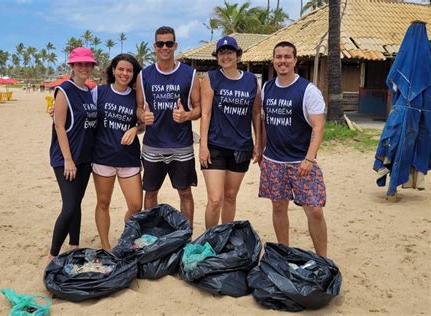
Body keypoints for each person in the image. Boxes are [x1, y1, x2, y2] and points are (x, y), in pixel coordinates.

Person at [259, 41, 328, 257]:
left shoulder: (308, 90)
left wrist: (309, 159)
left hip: (301, 161)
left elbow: (318, 127)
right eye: (279, 57)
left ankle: (323, 259)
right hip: (273, 160)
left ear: (295, 60)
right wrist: (260, 148)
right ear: (273, 60)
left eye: (287, 57)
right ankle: (284, 252)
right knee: (279, 207)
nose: (283, 61)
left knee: (314, 210)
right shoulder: (267, 88)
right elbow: (263, 121)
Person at [136, 26, 201, 223]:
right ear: (154, 46)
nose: (165, 47)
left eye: (169, 43)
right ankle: (151, 236)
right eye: (160, 44)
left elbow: (199, 109)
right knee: (150, 193)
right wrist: (143, 116)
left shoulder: (189, 74)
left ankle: (186, 236)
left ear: (175, 45)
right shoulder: (144, 75)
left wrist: (186, 115)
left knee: (185, 193)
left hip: (181, 146)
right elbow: (138, 107)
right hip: (152, 145)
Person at [199, 36, 262, 228]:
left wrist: (258, 142)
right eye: (221, 53)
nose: (225, 56)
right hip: (215, 146)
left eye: (229, 52)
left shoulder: (251, 80)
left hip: (241, 146)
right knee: (215, 199)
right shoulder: (211, 78)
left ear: (237, 55)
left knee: (230, 196)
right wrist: (203, 145)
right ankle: (209, 238)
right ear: (217, 57)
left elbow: (256, 112)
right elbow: (206, 112)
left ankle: (224, 236)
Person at [48, 47, 98, 260]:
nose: (84, 67)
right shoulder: (64, 90)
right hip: (66, 159)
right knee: (69, 206)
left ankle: (74, 245)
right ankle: (52, 255)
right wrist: (68, 160)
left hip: (85, 157)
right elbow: (59, 126)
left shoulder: (89, 91)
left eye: (88, 64)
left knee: (77, 202)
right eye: (80, 64)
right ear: (72, 66)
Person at [92, 54, 143, 250]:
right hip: (103, 157)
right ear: (113, 70)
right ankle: (105, 246)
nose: (124, 73)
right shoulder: (100, 92)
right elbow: (81, 109)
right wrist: (57, 108)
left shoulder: (136, 96)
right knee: (103, 202)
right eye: (121, 69)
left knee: (136, 206)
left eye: (129, 70)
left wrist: (135, 129)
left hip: (128, 158)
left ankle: (124, 237)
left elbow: (143, 122)